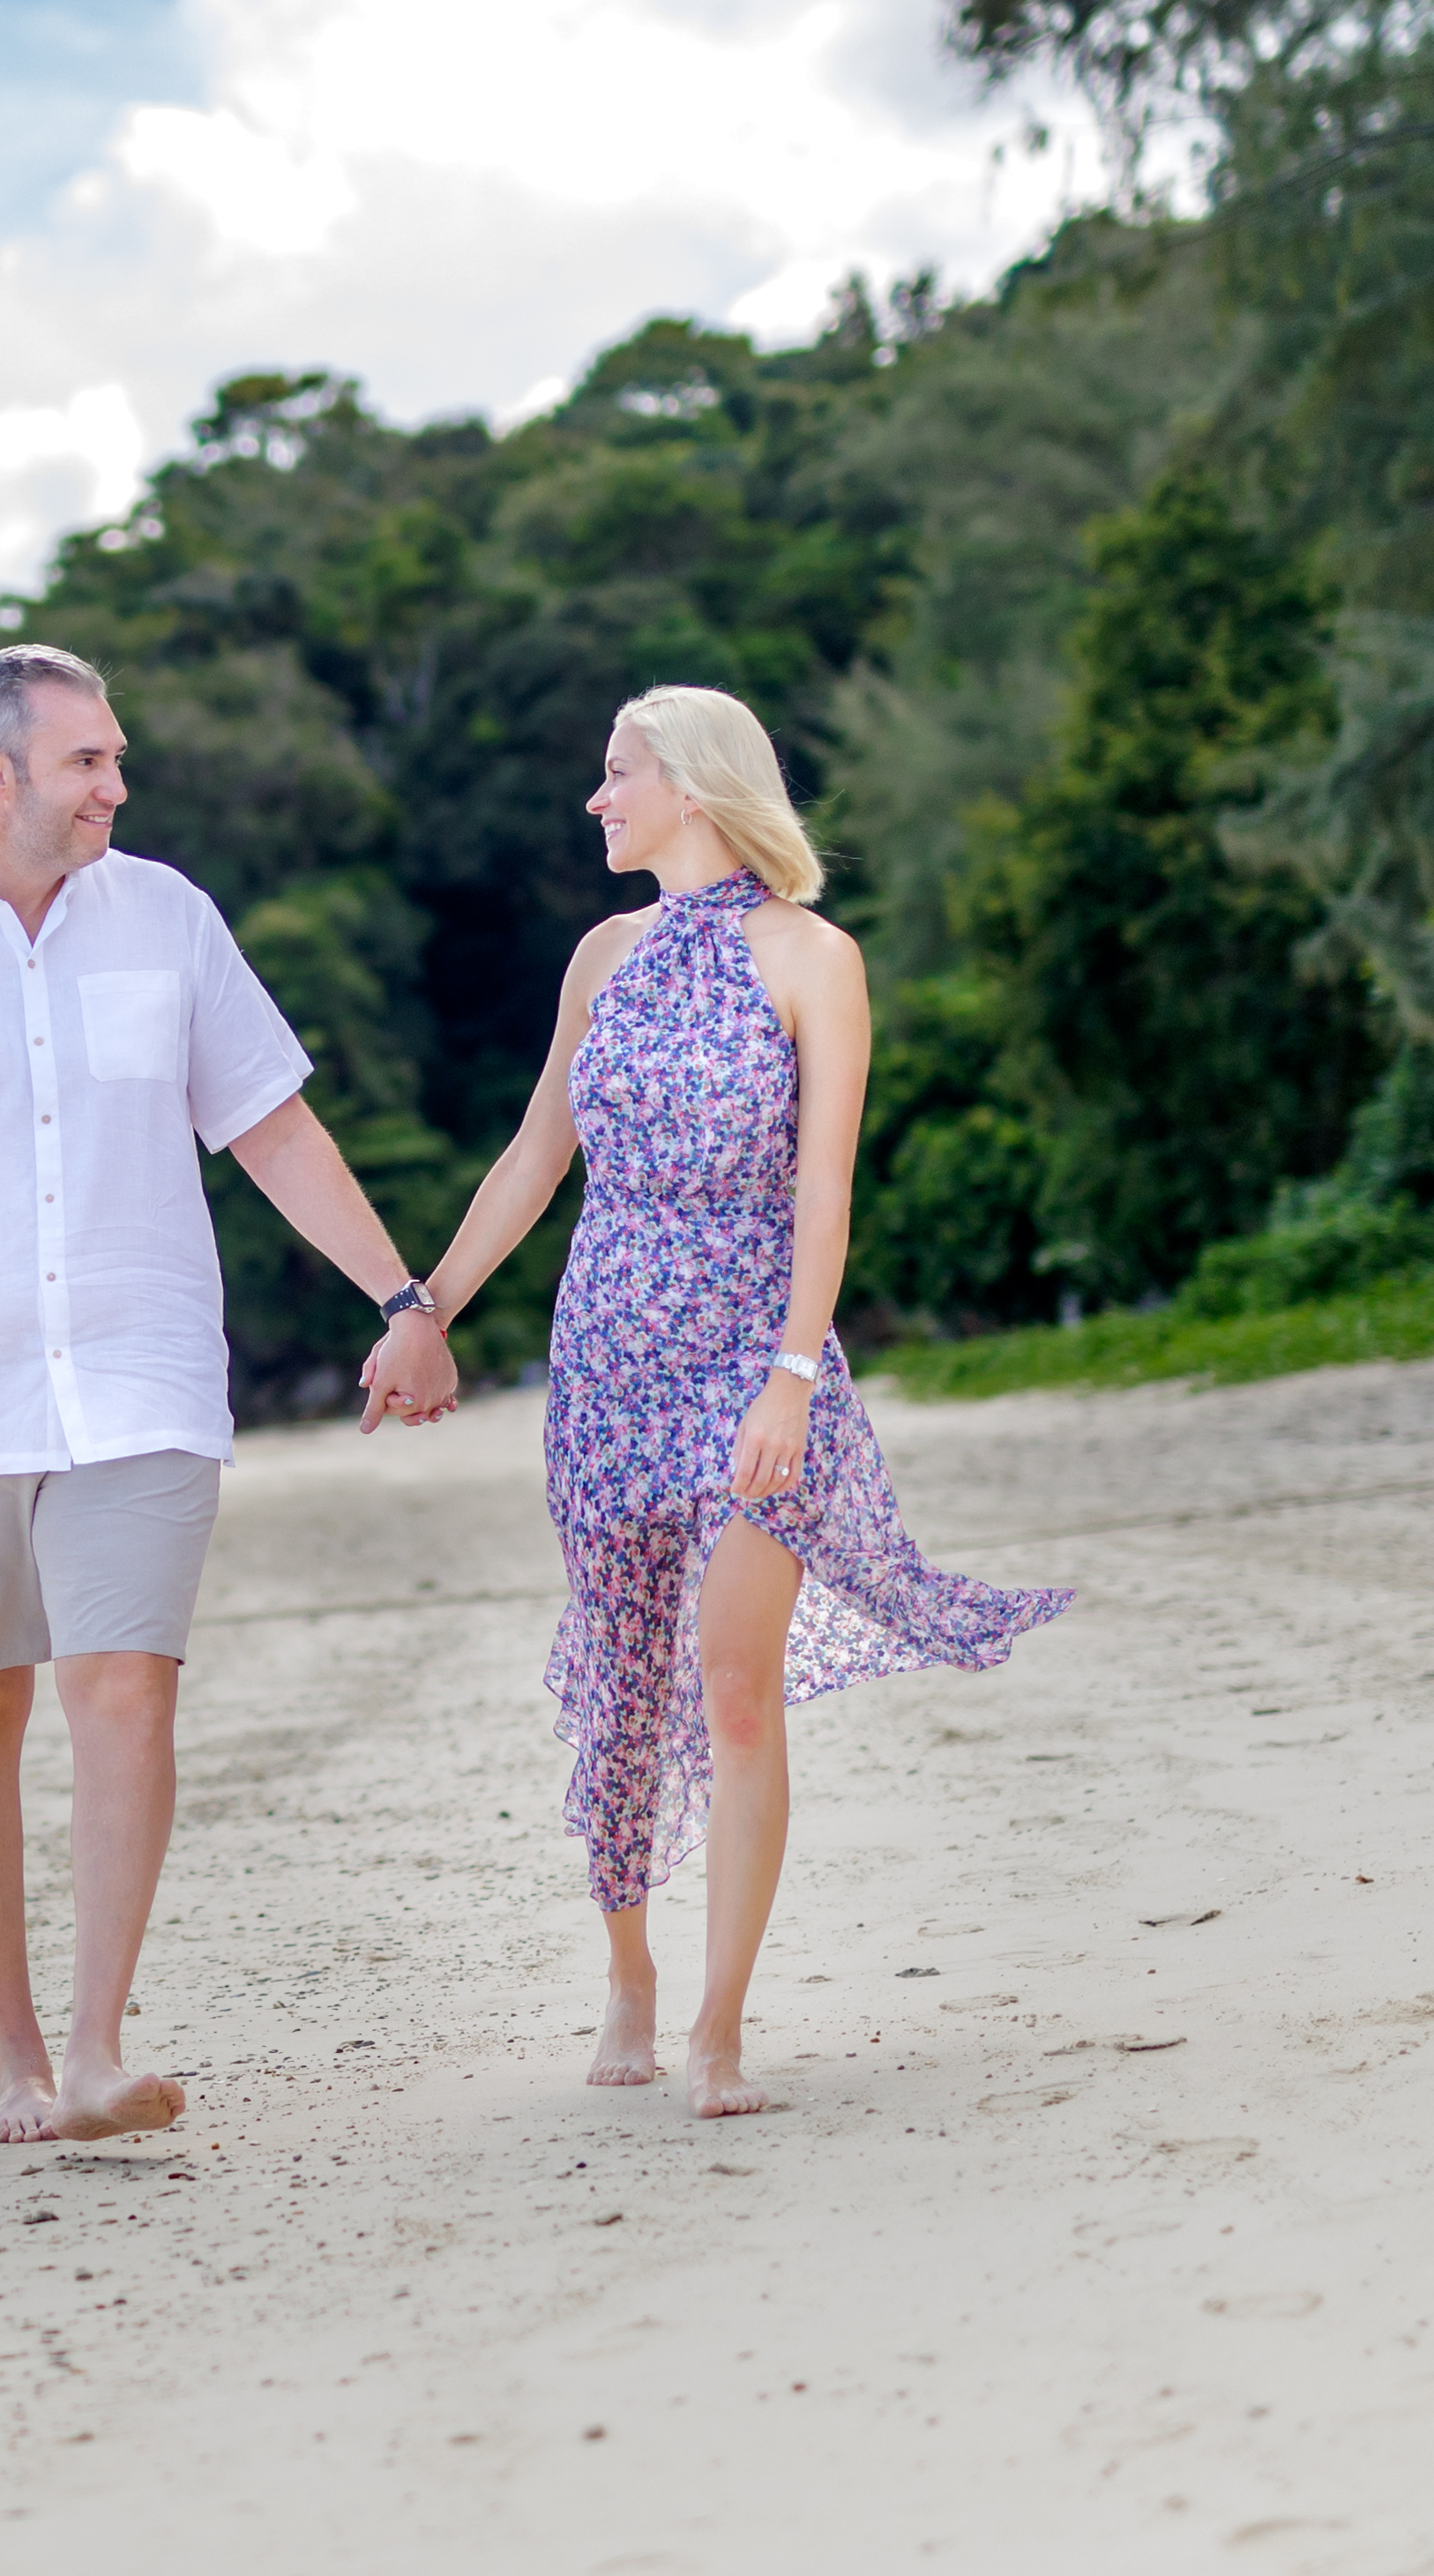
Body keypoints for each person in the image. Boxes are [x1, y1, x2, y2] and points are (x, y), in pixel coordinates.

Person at [0, 643, 458, 2146]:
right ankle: (11, 2057)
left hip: (140, 1378)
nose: (116, 787)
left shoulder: (169, 918)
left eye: (117, 758)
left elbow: (269, 1127)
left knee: (123, 1683)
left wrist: (400, 1299)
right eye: (88, 762)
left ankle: (92, 2049)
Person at [379, 685, 1070, 2117]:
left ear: (690, 786)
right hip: (606, 1363)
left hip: (752, 1360)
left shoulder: (814, 957)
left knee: (734, 1686)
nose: (595, 798)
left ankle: (717, 2023)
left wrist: (795, 1376)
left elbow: (826, 1184)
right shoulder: (601, 958)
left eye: (614, 770)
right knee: (625, 1679)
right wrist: (423, 1307)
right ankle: (626, 1970)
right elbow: (531, 1159)